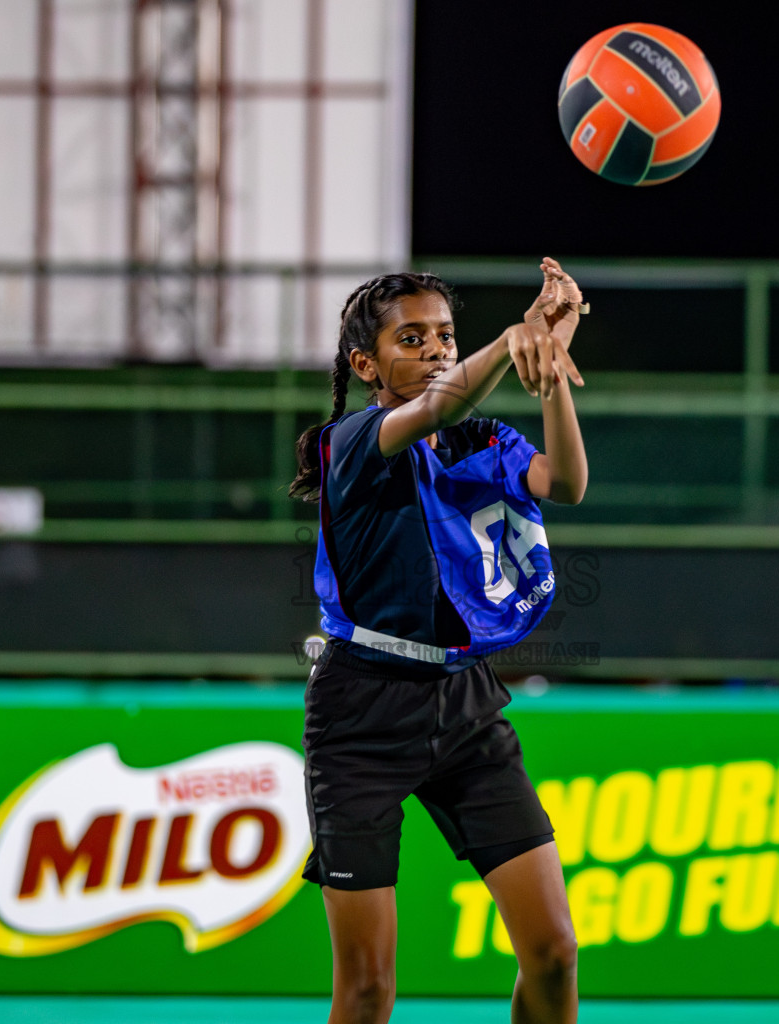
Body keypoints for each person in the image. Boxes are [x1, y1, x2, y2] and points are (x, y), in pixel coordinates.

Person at [289, 259, 587, 1024]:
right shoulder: (355, 441)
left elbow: (567, 483)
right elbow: (436, 404)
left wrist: (547, 368)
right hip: (360, 714)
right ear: (365, 365)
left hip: (465, 707)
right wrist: (513, 336)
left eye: (445, 336)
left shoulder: (481, 439)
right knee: (366, 988)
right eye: (411, 338)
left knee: (553, 953)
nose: (435, 350)